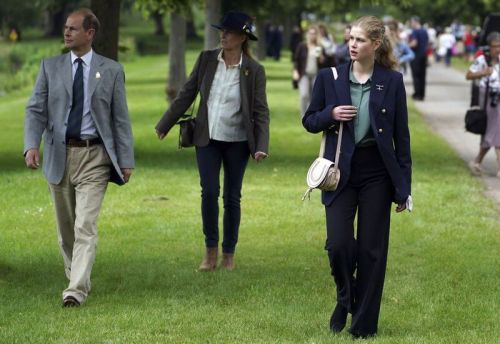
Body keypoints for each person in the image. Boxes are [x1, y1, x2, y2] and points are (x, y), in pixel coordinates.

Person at [302, 15, 412, 338]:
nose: (353, 44)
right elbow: (309, 120)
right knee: (338, 245)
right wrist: (330, 115)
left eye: (360, 40)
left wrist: (404, 187)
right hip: (339, 171)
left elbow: (401, 138)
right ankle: (345, 297)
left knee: (370, 251)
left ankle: (362, 326)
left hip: (378, 172)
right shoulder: (329, 77)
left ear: (375, 45)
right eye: (351, 38)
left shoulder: (392, 82)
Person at [23, 8, 134, 307]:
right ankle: (76, 275)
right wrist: (31, 144)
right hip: (59, 155)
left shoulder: (111, 70)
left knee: (86, 224)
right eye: (66, 28)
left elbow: (120, 119)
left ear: (90, 33)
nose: (67, 32)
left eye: (73, 28)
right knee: (66, 228)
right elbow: (35, 109)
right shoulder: (50, 67)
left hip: (94, 156)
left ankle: (75, 290)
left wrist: (125, 160)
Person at [155, 11, 270, 271]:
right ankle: (210, 251)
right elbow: (187, 93)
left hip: (238, 142)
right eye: (222, 31)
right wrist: (165, 124)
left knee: (232, 198)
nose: (223, 35)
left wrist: (261, 146)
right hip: (207, 139)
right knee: (209, 192)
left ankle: (228, 253)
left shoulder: (254, 70)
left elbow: (261, 111)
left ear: (242, 37)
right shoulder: (207, 59)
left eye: (228, 32)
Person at [466, 31, 500, 178]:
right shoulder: (482, 59)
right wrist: (483, 72)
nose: (497, 49)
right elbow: (468, 75)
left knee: (494, 131)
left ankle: (478, 161)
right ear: (489, 47)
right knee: (495, 131)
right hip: (487, 100)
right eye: (495, 46)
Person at [293, 25, 327, 117]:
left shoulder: (319, 47)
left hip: (316, 74)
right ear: (307, 34)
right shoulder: (302, 46)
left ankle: (311, 115)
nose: (312, 35)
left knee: (314, 96)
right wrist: (295, 71)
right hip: (304, 74)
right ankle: (304, 115)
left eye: (314, 34)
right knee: (304, 95)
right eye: (311, 33)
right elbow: (296, 60)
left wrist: (321, 57)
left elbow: (323, 63)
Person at [409, 16, 429, 100]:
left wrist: (407, 46)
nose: (411, 24)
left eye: (411, 22)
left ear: (415, 22)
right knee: (423, 75)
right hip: (424, 55)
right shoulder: (425, 31)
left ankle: (417, 94)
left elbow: (414, 43)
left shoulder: (415, 31)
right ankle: (422, 94)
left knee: (416, 76)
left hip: (416, 55)